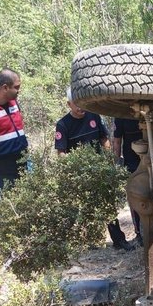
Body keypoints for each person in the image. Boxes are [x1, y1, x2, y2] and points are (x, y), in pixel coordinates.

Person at [55, 89, 135, 251]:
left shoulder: (94, 116)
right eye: (75, 104)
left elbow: (104, 139)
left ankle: (119, 241)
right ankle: (87, 241)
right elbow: (61, 153)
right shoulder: (63, 125)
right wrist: (71, 172)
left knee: (108, 207)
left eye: (81, 103)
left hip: (99, 170)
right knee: (83, 208)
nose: (80, 107)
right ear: (68, 104)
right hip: (80, 174)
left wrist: (108, 161)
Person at [112, 118, 144, 248]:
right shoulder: (120, 115)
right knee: (135, 198)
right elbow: (117, 141)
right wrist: (116, 165)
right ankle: (139, 233)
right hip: (131, 163)